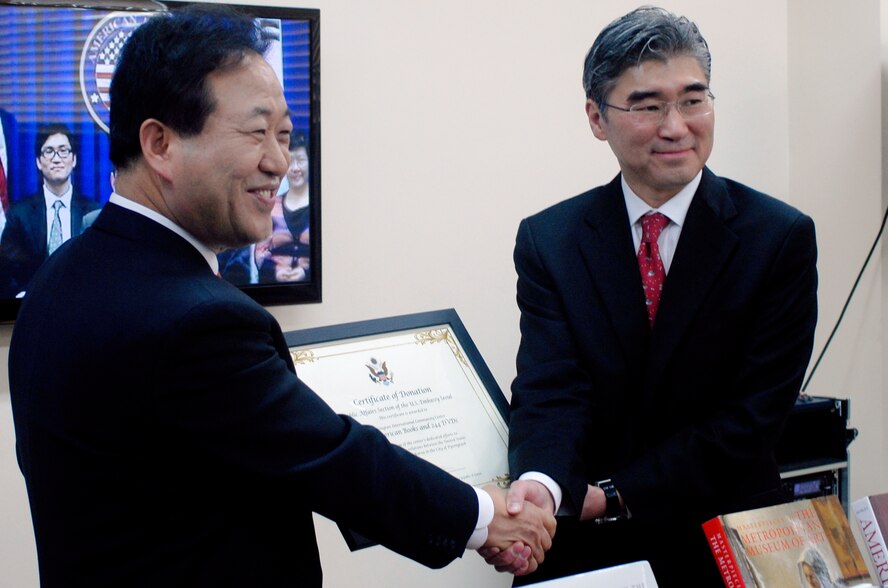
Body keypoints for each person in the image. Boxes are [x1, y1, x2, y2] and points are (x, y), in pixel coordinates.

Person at [8, 7, 554, 587]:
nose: (277, 161)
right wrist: (485, 518)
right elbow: (331, 458)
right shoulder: (197, 320)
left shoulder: (60, 276)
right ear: (160, 144)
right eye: (255, 131)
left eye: (285, 134)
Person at [491, 6, 818, 586]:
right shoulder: (551, 240)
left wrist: (613, 494)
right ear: (597, 117)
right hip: (588, 547)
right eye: (647, 106)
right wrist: (540, 487)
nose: (676, 125)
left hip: (727, 540)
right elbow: (551, 388)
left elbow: (749, 421)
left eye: (694, 100)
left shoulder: (778, 237)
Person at [0, 123, 98, 297]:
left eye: (63, 150)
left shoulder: (94, 213)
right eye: (49, 151)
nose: (56, 158)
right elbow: (7, 271)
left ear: (73, 159)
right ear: (38, 161)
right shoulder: (19, 215)